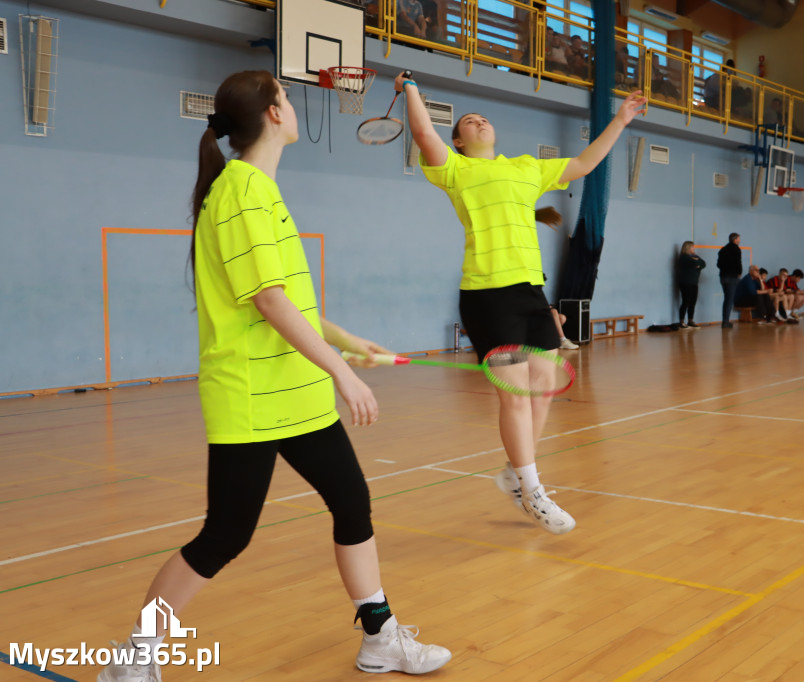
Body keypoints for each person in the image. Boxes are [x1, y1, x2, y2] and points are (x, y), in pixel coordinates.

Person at [96, 70, 451, 682]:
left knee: (352, 502)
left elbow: (289, 299)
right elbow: (267, 301)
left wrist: (344, 340)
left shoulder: (260, 190)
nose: (292, 107)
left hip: (297, 394)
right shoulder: (240, 192)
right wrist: (344, 371)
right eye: (286, 99)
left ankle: (380, 638)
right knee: (226, 535)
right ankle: (135, 657)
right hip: (255, 395)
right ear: (272, 113)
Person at [401, 69, 646, 533]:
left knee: (543, 390)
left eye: (482, 118)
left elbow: (584, 165)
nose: (479, 122)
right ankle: (532, 491)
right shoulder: (454, 170)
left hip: (531, 291)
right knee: (515, 398)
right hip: (487, 295)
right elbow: (420, 131)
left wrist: (620, 120)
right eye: (469, 122)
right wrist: (410, 87)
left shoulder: (526, 167)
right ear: (457, 141)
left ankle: (516, 474)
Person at [676, 241, 705, 328]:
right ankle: (681, 321)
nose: (694, 249)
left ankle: (690, 320)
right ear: (688, 248)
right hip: (685, 282)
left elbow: (703, 263)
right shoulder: (683, 257)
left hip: (694, 282)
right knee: (686, 301)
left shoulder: (694, 256)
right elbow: (695, 263)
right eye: (692, 247)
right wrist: (696, 264)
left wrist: (698, 264)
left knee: (693, 302)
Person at [716, 232, 742, 328]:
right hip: (732, 277)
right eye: (739, 239)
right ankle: (726, 321)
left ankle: (725, 320)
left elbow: (718, 264)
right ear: (735, 240)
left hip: (723, 277)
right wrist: (739, 272)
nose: (739, 240)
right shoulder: (736, 249)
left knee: (726, 299)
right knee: (729, 299)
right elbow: (738, 263)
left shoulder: (722, 250)